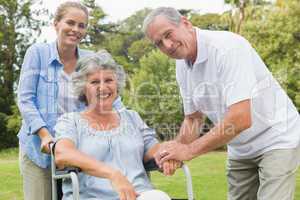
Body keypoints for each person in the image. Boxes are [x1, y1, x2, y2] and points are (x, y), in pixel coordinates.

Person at [142, 7, 300, 200]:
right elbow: (193, 119)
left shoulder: (227, 48)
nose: (167, 45)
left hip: (276, 136)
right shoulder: (181, 66)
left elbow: (241, 118)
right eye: (159, 43)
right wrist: (175, 151)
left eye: (168, 34)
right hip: (239, 148)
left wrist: (189, 150)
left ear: (185, 23)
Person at [17, 2, 122, 200]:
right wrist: (45, 134)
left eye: (81, 25)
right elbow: (25, 100)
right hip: (40, 150)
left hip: (78, 150)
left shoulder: (90, 59)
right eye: (70, 23)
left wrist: (129, 123)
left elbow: (110, 97)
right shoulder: (37, 53)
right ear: (56, 24)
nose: (76, 29)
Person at [54, 52, 180, 200]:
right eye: (94, 82)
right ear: (83, 88)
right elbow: (62, 154)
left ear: (117, 84)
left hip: (139, 195)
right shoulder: (70, 121)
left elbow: (154, 149)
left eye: (109, 80)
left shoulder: (132, 117)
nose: (103, 87)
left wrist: (168, 154)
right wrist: (112, 174)